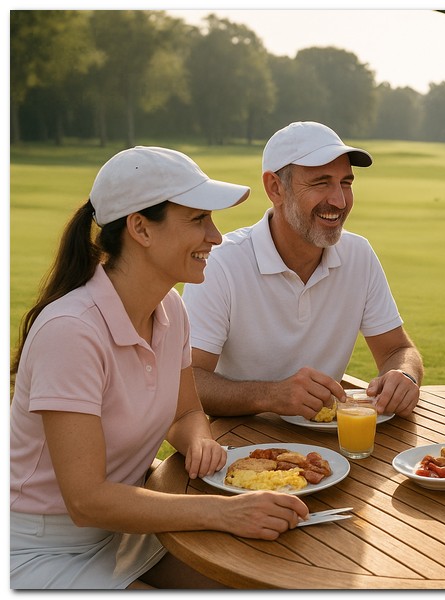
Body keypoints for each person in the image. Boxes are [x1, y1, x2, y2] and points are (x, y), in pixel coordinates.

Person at [10, 147, 311, 589]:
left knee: (258, 582)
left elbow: (185, 412)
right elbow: (86, 501)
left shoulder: (170, 308)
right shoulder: (70, 331)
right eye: (198, 220)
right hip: (41, 551)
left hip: (131, 524)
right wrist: (225, 512)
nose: (215, 236)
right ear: (140, 228)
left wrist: (198, 439)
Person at [182, 121, 422, 419]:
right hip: (241, 440)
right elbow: (188, 380)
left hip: (330, 439)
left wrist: (404, 375)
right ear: (275, 188)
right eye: (321, 183)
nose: (339, 201)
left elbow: (397, 350)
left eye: (346, 183)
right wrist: (271, 396)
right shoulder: (222, 263)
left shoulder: (359, 254)